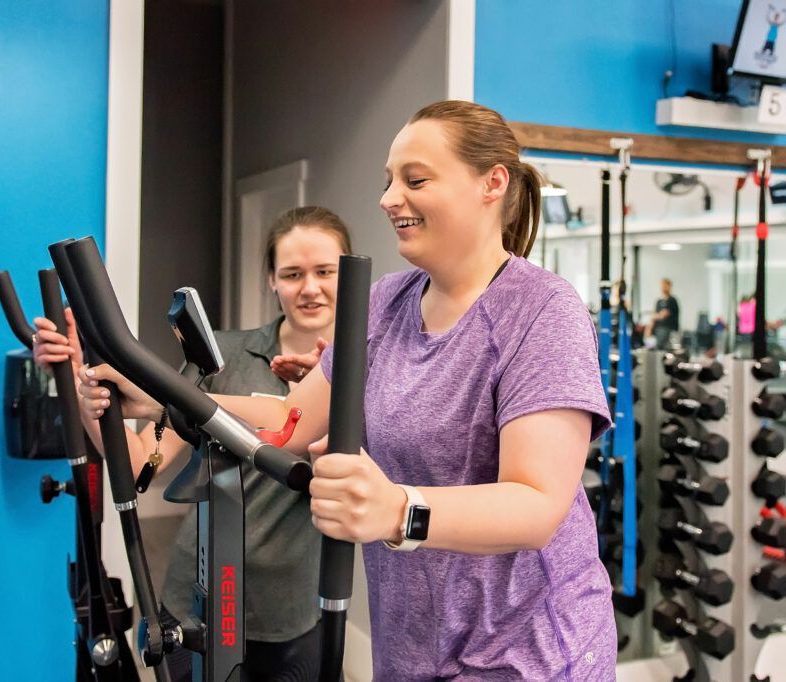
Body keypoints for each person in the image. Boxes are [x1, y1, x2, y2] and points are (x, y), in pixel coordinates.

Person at [80, 100, 616, 680]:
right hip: (414, 640)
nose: (389, 199)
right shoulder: (384, 302)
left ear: (492, 183)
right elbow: (288, 421)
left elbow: (535, 504)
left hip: (526, 647)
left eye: (415, 180)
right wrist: (165, 398)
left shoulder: (542, 311)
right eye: (389, 182)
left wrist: (398, 509)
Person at [33, 206, 352, 681]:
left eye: (325, 271)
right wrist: (86, 375)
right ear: (271, 280)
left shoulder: (365, 372)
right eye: (292, 273)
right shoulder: (223, 356)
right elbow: (143, 460)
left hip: (290, 608)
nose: (309, 287)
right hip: (197, 597)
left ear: (348, 272)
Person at [645, 277, 679, 349]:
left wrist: (656, 316)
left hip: (668, 328)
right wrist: (649, 328)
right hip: (658, 327)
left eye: (665, 285)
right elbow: (654, 316)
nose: (663, 287)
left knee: (661, 333)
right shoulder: (658, 301)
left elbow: (663, 314)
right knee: (647, 334)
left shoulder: (672, 300)